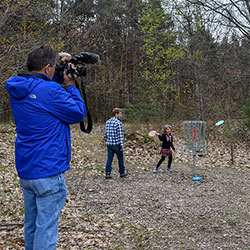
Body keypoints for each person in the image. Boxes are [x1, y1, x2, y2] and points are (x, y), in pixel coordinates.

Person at [6, 46, 86, 250]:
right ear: (48, 68)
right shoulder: (50, 90)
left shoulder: (19, 88)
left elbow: (43, 92)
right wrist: (70, 84)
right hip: (49, 171)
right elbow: (78, 113)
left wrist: (59, 70)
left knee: (32, 226)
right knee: (47, 229)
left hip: (28, 170)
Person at [104, 108, 128, 179]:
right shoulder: (118, 123)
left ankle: (107, 173)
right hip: (116, 144)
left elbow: (105, 134)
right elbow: (120, 136)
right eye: (120, 114)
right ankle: (122, 172)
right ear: (116, 114)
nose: (121, 115)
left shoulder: (107, 122)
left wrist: (107, 141)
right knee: (120, 158)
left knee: (109, 159)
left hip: (109, 144)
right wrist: (122, 146)